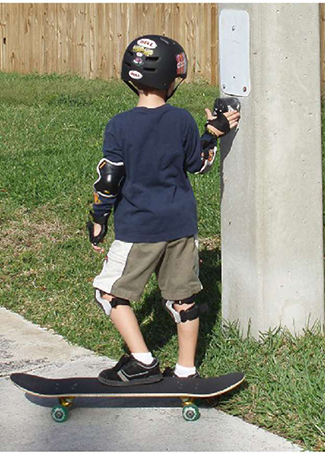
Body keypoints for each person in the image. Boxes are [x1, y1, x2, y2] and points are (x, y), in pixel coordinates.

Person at [87, 35, 240, 386]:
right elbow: (198, 164)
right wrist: (212, 133)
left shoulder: (119, 125)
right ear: (173, 79)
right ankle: (187, 370)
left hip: (138, 229)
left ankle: (142, 362)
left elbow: (109, 179)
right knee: (182, 299)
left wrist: (99, 219)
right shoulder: (183, 120)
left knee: (108, 292)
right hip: (181, 225)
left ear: (130, 77)